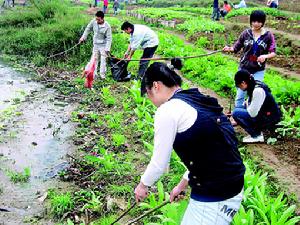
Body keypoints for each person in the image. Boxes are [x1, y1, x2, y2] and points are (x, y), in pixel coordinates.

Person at [134, 59, 246, 225]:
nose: (151, 101)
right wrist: (182, 185)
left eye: (148, 93)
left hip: (215, 195)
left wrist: (143, 186)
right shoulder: (196, 98)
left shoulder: (167, 110)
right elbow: (206, 149)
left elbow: (159, 164)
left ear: (156, 86)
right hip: (232, 184)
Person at [223, 10, 276, 108]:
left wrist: (265, 56)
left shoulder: (268, 35)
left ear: (263, 22)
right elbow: (236, 47)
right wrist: (229, 49)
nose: (256, 24)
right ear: (251, 21)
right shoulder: (246, 33)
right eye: (254, 21)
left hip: (258, 70)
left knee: (255, 93)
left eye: (259, 21)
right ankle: (237, 115)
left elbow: (273, 52)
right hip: (244, 69)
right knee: (240, 94)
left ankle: (250, 115)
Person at [232, 70, 281, 143]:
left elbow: (252, 113)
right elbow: (249, 103)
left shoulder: (257, 91)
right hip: (264, 113)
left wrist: (245, 108)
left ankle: (256, 135)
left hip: (270, 118)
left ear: (243, 83)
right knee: (240, 109)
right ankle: (256, 130)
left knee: (236, 113)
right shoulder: (253, 84)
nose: (240, 88)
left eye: (239, 86)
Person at [79, 11, 112, 79]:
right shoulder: (94, 21)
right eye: (96, 19)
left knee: (103, 60)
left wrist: (107, 49)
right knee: (94, 59)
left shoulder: (107, 26)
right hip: (96, 44)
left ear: (103, 19)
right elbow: (88, 28)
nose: (97, 21)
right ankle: (94, 75)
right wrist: (83, 37)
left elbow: (109, 38)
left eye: (98, 19)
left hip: (103, 45)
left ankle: (102, 76)